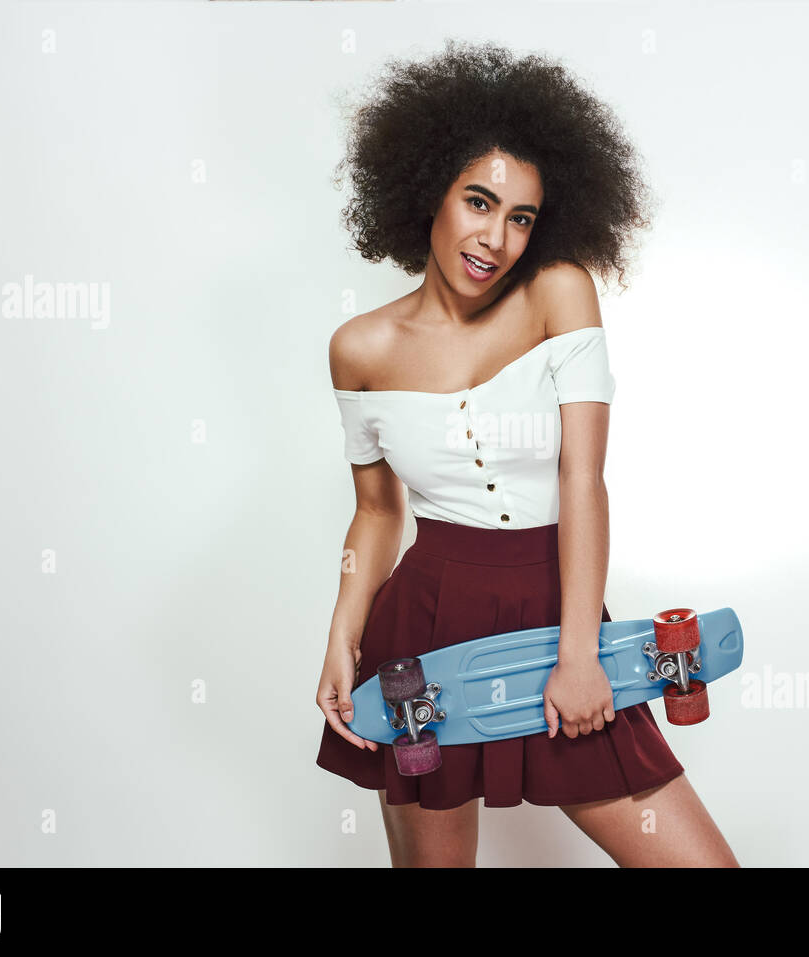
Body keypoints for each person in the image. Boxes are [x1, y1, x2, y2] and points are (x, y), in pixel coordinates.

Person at [315, 39, 738, 868]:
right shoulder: (358, 347)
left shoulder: (559, 292)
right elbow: (375, 512)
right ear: (426, 188)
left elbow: (585, 478)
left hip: (556, 613)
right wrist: (342, 630)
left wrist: (579, 651)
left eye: (521, 218)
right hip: (420, 634)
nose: (496, 238)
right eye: (478, 202)